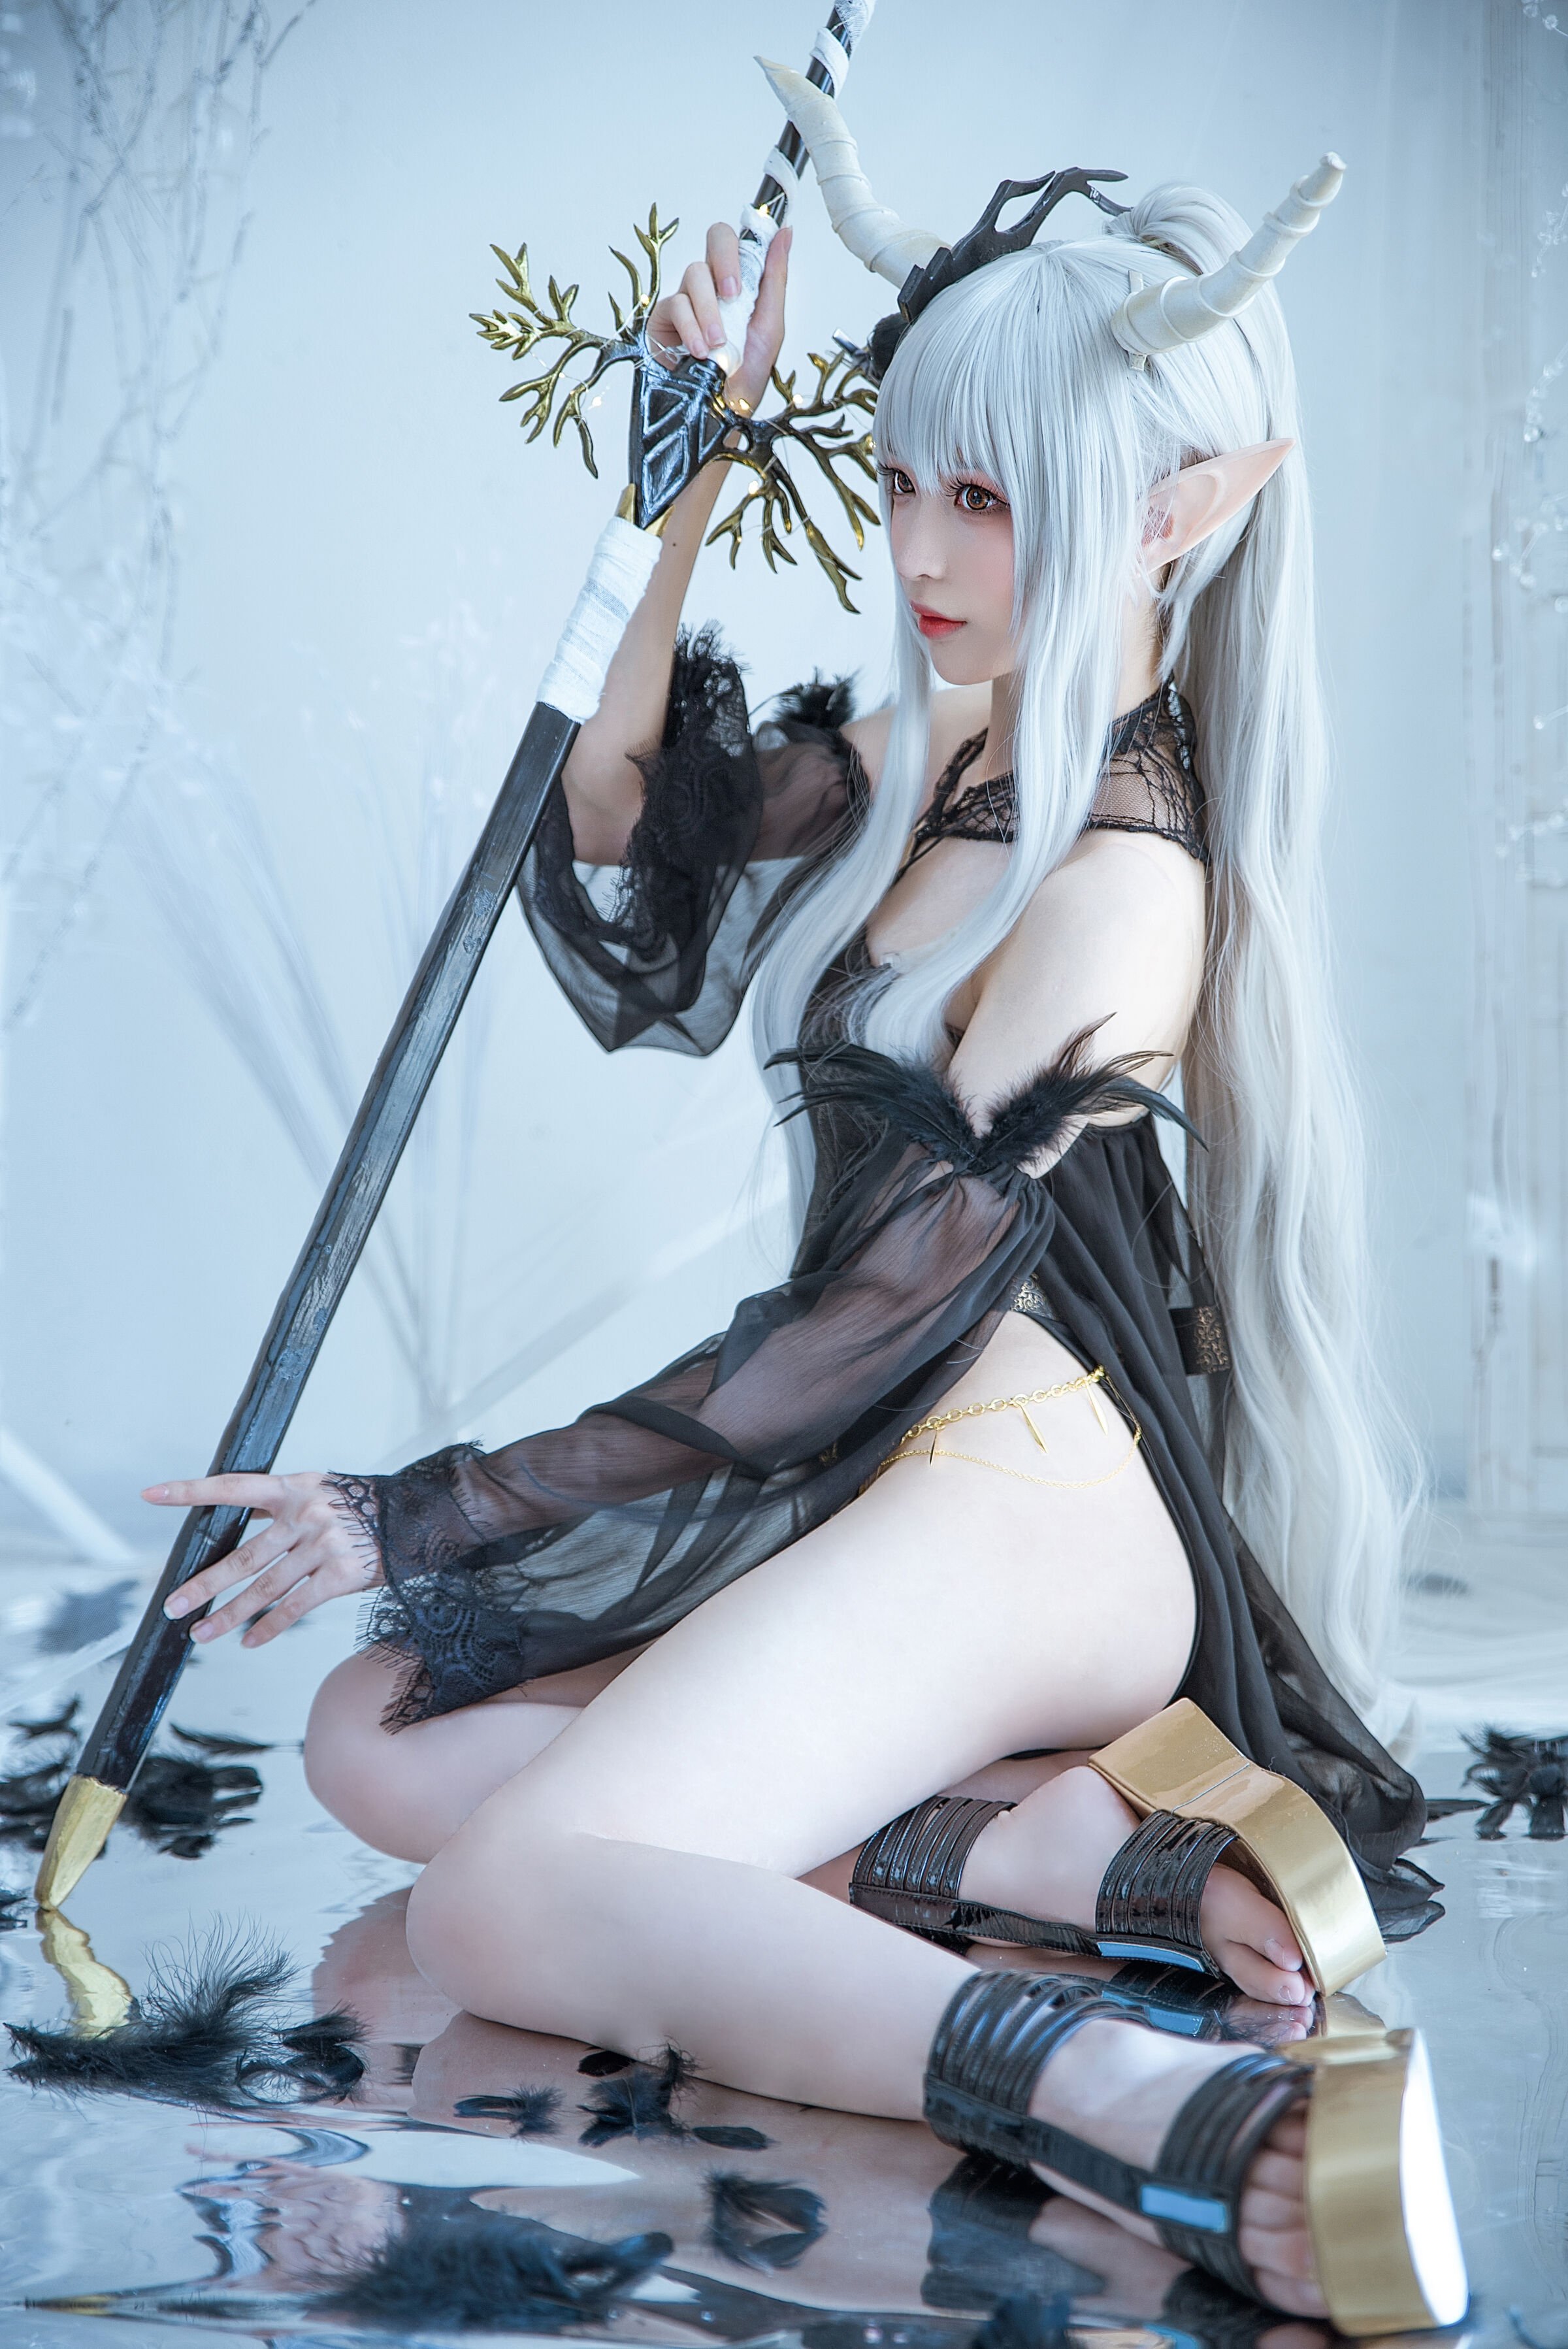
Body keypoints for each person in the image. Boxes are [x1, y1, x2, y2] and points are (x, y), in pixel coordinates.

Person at [143, 110, 1465, 2324]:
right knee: (373, 1733)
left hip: (1027, 1504)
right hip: (890, 1461)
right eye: (901, 477)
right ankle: (1063, 1855)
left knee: (496, 1905)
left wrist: (419, 1503)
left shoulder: (1123, 885)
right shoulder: (937, 760)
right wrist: (684, 465)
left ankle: (1162, 2106)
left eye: (990, 498)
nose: (923, 548)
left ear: (1181, 509)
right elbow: (616, 823)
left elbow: (864, 1313)